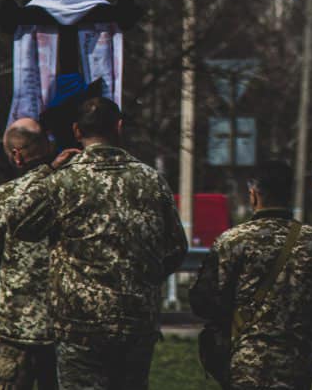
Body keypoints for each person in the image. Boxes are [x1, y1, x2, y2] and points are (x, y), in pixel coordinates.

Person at [11, 96, 188, 390]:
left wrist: (46, 172)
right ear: (119, 127)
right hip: (136, 322)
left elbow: (23, 227)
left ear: (77, 131)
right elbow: (176, 249)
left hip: (80, 325)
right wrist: (142, 278)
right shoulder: (151, 180)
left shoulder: (64, 181)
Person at [190, 160, 312, 389]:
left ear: (254, 194)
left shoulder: (233, 241)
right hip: (297, 367)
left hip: (245, 368)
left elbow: (203, 302)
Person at [0, 118, 64, 390]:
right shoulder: (73, 191)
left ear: (16, 155)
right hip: (67, 330)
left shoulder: (2, 197)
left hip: (18, 331)